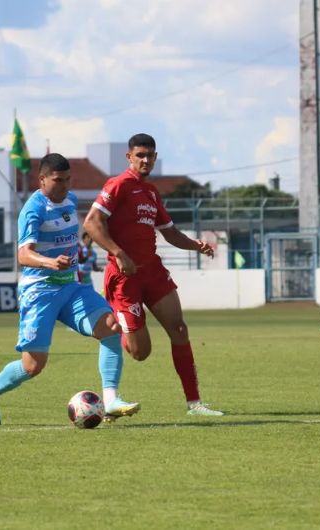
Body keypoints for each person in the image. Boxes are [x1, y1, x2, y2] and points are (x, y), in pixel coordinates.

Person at [0, 153, 139, 425]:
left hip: (71, 288)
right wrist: (50, 262)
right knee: (33, 366)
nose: (64, 186)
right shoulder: (33, 210)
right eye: (57, 181)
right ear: (41, 180)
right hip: (39, 291)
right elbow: (23, 255)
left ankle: (110, 400)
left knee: (111, 326)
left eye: (67, 180)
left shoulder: (70, 200)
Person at [83, 133, 224, 416]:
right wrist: (119, 253)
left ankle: (194, 404)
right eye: (140, 155)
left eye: (150, 156)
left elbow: (169, 231)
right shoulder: (119, 185)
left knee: (180, 329)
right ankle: (116, 318)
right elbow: (92, 222)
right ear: (129, 157)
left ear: (155, 158)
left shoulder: (151, 192)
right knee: (140, 353)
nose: (146, 160)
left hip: (153, 271)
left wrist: (196, 245)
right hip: (124, 277)